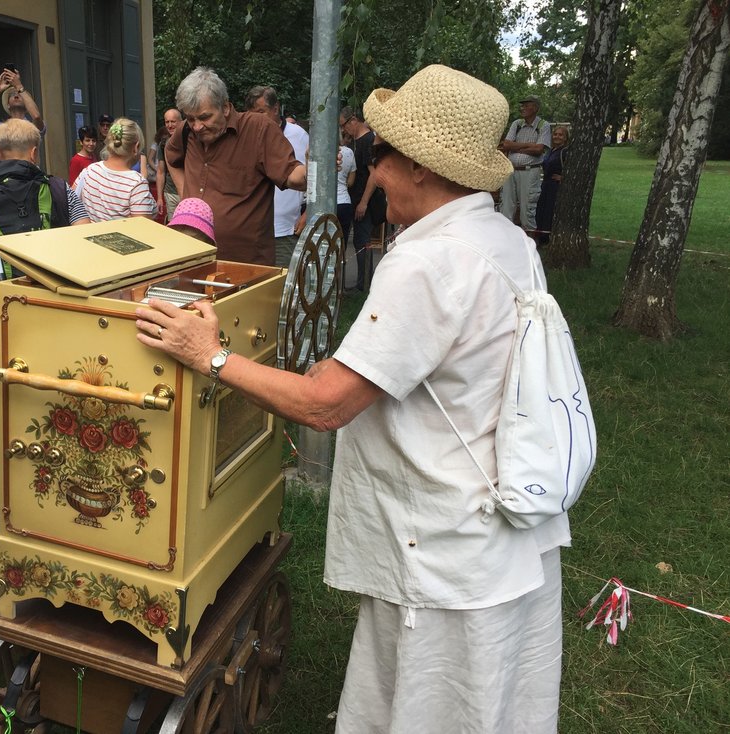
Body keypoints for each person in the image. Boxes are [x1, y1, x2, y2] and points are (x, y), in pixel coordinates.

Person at [134, 64, 565, 733]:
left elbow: (324, 404)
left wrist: (209, 355)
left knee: (432, 699)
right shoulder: (505, 240)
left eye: (383, 154)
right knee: (487, 698)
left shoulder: (429, 262)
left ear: (420, 165)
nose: (373, 171)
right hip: (498, 524)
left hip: (444, 541)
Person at [0, 119, 90, 398]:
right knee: (55, 356)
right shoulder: (58, 188)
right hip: (51, 292)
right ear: (34, 152)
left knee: (12, 358)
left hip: (3, 294)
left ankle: (18, 412)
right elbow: (84, 233)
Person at [164, 67, 306, 265]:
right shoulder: (186, 131)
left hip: (247, 265)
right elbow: (171, 157)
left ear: (225, 108)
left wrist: (318, 166)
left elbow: (294, 176)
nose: (197, 126)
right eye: (191, 118)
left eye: (205, 117)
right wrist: (185, 197)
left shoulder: (258, 129)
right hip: (196, 260)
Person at [245, 85, 311, 267]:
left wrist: (307, 213)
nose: (255, 119)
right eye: (251, 114)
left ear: (275, 109)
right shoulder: (246, 136)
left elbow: (314, 177)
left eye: (260, 112)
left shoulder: (299, 136)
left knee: (284, 289)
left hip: (285, 231)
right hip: (252, 232)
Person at [73, 118, 156, 222]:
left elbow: (73, 204)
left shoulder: (89, 170)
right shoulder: (136, 183)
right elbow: (142, 228)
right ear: (136, 147)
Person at [338, 106, 379, 291]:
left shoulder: (368, 140)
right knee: (358, 242)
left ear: (353, 120)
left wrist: (363, 202)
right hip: (354, 200)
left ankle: (365, 285)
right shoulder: (355, 142)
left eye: (344, 125)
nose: (343, 130)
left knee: (362, 242)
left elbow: (374, 174)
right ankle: (363, 283)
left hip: (366, 202)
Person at [500, 95, 551, 235]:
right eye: (522, 105)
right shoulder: (517, 124)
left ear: (535, 107)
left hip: (530, 172)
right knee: (506, 207)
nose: (522, 108)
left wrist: (515, 147)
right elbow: (506, 144)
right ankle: (506, 238)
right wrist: (528, 145)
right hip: (511, 171)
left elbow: (538, 150)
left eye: (526, 105)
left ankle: (530, 242)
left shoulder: (543, 126)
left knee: (527, 208)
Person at [0, 67, 46, 139]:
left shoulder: (33, 127)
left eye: (20, 94)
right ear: (8, 105)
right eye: (12, 94)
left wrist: (19, 86)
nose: (16, 96)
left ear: (27, 105)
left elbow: (36, 116)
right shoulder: (2, 128)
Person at [535, 125, 570, 246]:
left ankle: (546, 238)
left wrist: (563, 178)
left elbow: (572, 170)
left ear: (565, 138)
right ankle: (539, 235)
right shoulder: (550, 151)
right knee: (541, 209)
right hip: (545, 184)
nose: (557, 137)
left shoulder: (565, 152)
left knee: (550, 211)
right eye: (555, 134)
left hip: (555, 186)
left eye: (561, 135)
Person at [154, 108, 183, 222]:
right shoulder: (164, 143)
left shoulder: (191, 140)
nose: (170, 125)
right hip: (170, 192)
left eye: (173, 121)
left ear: (181, 122)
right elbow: (161, 172)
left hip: (188, 192)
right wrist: (160, 198)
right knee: (174, 226)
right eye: (167, 122)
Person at [335, 140, 357, 250]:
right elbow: (351, 182)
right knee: (341, 249)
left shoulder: (318, 150)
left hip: (322, 204)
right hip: (344, 201)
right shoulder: (349, 152)